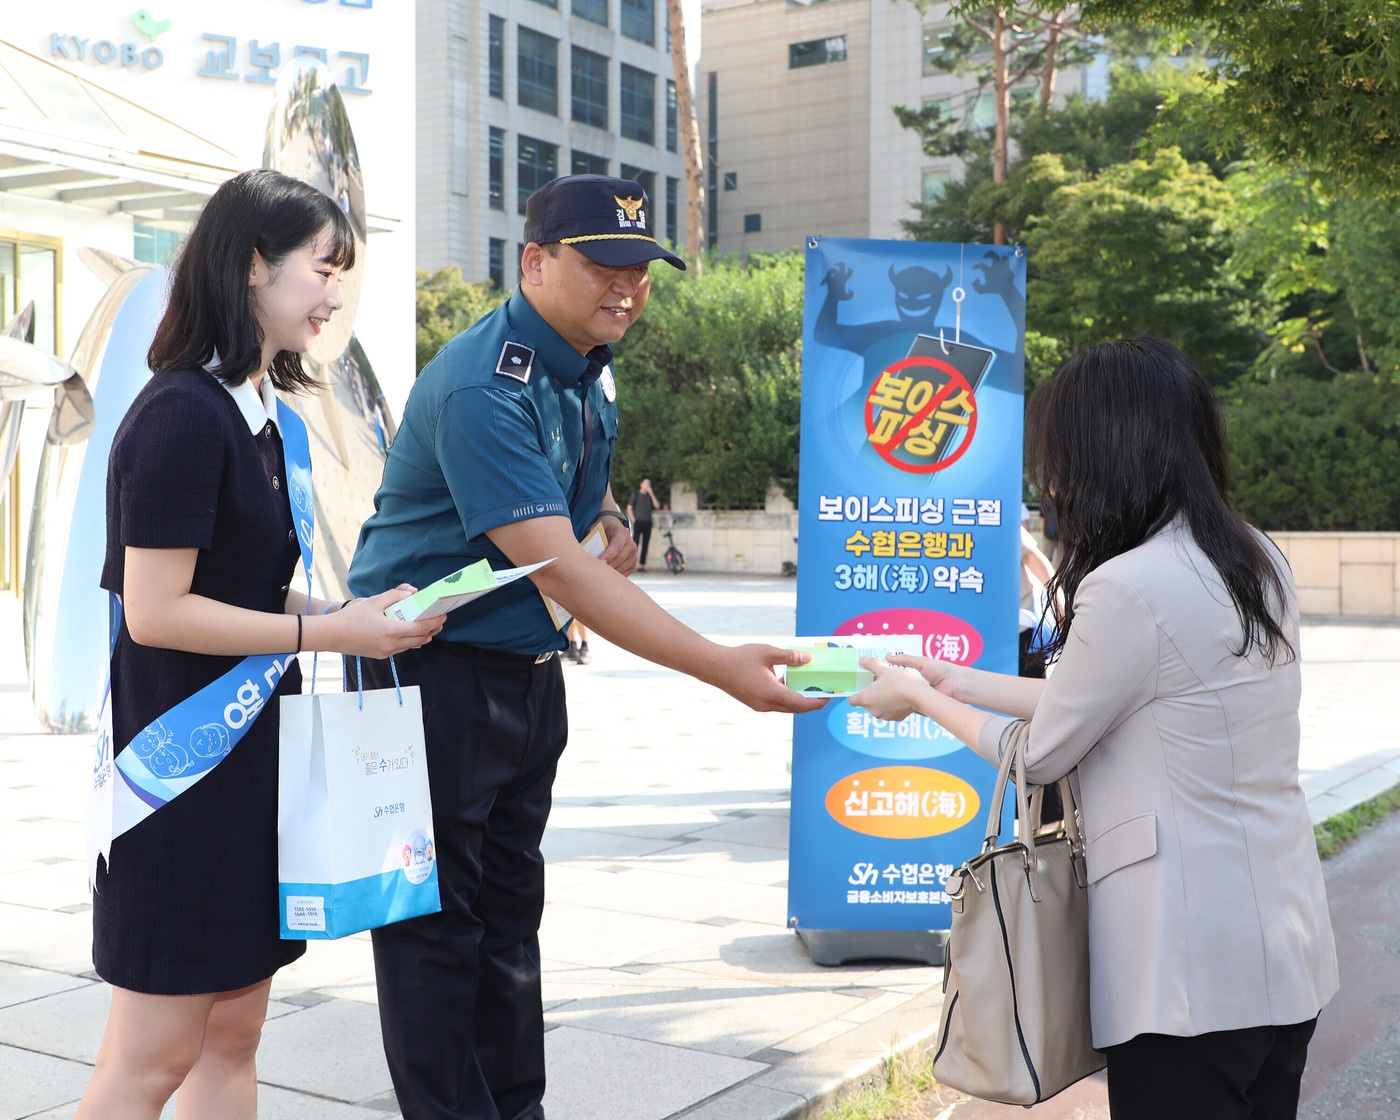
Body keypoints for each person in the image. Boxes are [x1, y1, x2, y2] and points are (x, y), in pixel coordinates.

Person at [345, 173, 824, 1120]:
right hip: (426, 673)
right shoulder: (489, 384)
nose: (628, 289)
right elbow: (560, 573)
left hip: (521, 672)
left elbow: (577, 503)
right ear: (534, 261)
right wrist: (723, 665)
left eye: (642, 271)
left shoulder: (587, 363)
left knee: (510, 921)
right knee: (435, 927)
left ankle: (514, 1108)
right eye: (604, 266)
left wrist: (605, 513)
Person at [850, 337, 1338, 1120]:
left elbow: (1038, 756)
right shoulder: (1255, 558)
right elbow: (1120, 697)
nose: (1056, 478)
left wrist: (918, 700)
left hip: (1182, 972)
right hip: (1283, 946)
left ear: (1105, 452)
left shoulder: (1128, 584)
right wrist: (957, 679)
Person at [78, 169, 444, 1120]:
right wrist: (326, 628)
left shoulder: (258, 413)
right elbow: (157, 610)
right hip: (180, 782)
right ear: (251, 265)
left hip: (249, 772)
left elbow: (240, 583)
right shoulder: (180, 415)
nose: (335, 294)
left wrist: (349, 610)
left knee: (232, 1040)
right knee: (152, 1057)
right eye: (323, 268)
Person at [627, 476, 658, 569]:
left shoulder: (649, 497)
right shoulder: (636, 495)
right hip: (638, 522)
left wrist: (651, 493)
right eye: (646, 483)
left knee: (645, 544)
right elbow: (629, 508)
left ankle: (642, 565)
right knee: (635, 543)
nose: (647, 485)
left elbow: (657, 506)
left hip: (648, 522)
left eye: (649, 484)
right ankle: (632, 564)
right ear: (641, 484)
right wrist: (634, 519)